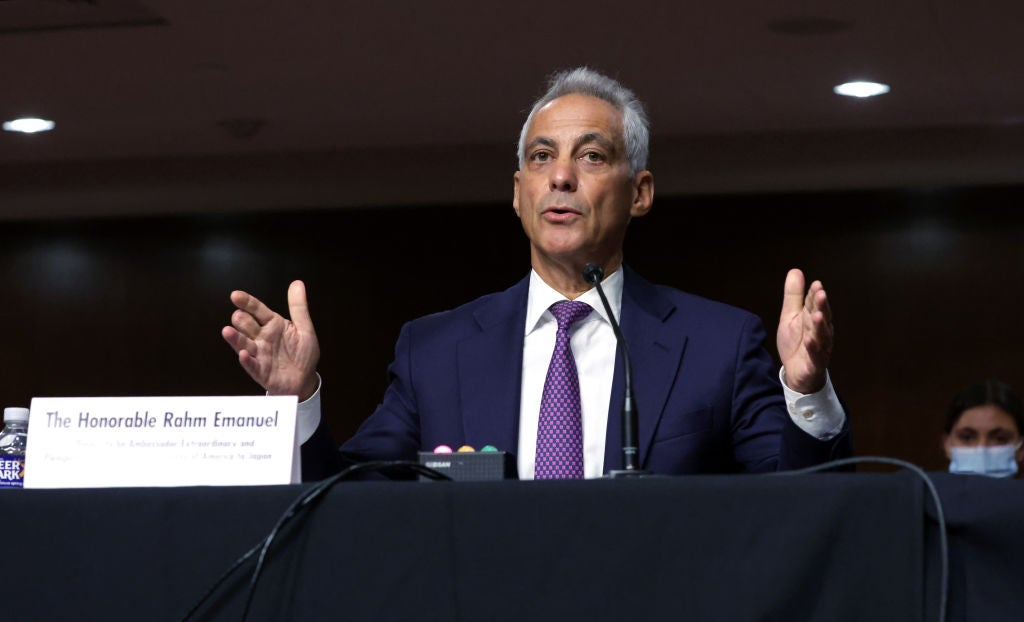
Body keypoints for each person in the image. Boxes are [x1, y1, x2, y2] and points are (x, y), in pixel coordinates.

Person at [222, 66, 853, 481]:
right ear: (519, 193)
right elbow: (346, 500)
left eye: (592, 156)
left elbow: (802, 505)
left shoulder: (718, 344)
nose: (561, 176)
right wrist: (296, 402)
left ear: (640, 192)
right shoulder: (436, 352)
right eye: (542, 157)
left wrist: (807, 390)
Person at [943, 379, 1023, 478]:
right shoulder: (923, 493)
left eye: (1000, 439)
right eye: (967, 438)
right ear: (947, 444)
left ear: (1021, 449)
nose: (982, 450)